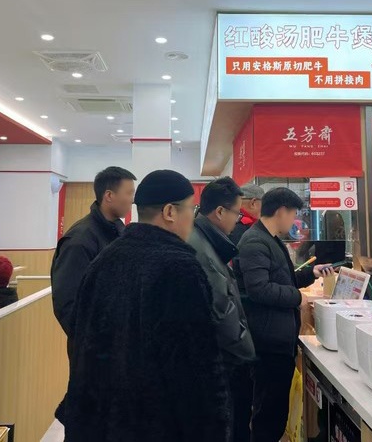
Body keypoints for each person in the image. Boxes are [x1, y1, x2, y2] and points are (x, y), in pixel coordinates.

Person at [63, 170, 230, 442]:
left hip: (101, 421)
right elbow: (195, 369)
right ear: (170, 212)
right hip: (156, 424)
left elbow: (81, 342)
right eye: (191, 208)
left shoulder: (104, 260)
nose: (193, 217)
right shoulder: (180, 268)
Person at [234, 188, 333, 442]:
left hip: (276, 338)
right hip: (267, 342)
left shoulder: (270, 239)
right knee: (269, 413)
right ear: (281, 211)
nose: (294, 220)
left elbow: (282, 280)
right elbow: (259, 289)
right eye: (293, 214)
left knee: (275, 410)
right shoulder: (255, 242)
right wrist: (297, 297)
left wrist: (311, 273)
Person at [188, 177, 255, 442]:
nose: (237, 220)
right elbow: (220, 309)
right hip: (222, 365)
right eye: (236, 213)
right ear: (219, 212)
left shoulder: (207, 241)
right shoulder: (202, 249)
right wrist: (245, 350)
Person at [51, 166, 136, 335]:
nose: (132, 200)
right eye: (129, 193)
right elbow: (68, 305)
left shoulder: (120, 232)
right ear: (109, 196)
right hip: (96, 344)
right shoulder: (79, 241)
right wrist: (99, 340)